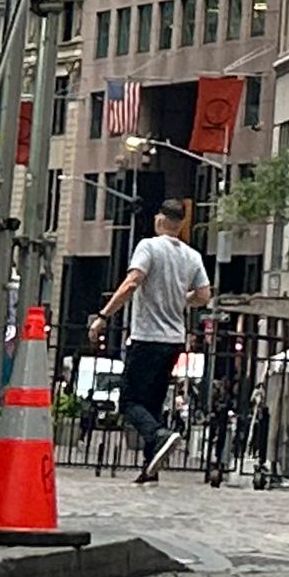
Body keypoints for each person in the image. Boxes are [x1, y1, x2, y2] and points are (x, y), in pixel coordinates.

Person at [99, 198, 214, 482]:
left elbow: (132, 282)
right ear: (181, 223)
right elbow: (204, 296)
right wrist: (180, 299)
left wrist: (104, 315)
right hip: (174, 340)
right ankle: (150, 466)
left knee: (129, 401)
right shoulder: (192, 256)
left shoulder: (148, 247)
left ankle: (158, 434)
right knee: (151, 402)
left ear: (159, 219)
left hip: (147, 336)